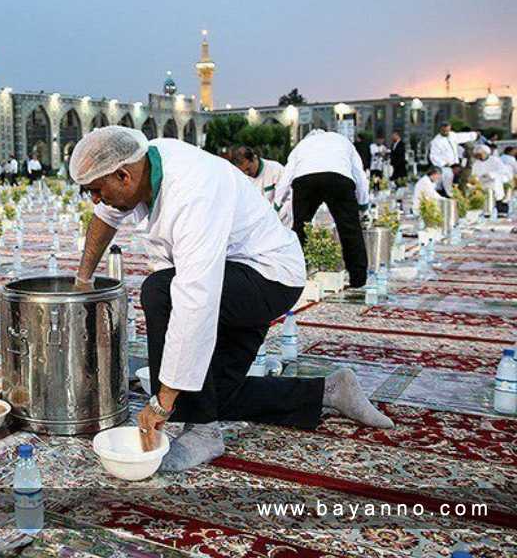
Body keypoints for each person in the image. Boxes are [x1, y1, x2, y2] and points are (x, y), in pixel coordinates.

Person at [70, 127, 392, 472]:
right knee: (211, 393)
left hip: (269, 277)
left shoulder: (193, 192)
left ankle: (203, 433)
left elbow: (196, 299)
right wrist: (82, 280)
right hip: (235, 274)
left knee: (160, 291)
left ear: (123, 175)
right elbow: (105, 218)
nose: (95, 200)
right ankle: (330, 390)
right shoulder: (141, 162)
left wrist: (161, 403)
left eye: (97, 191)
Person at [275, 129, 369, 288]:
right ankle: (358, 278)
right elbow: (359, 174)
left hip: (305, 180)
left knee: (300, 229)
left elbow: (286, 176)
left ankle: (294, 275)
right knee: (350, 229)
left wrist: (276, 204)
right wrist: (363, 204)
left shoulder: (302, 145)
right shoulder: (342, 140)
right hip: (338, 178)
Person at [228, 145, 292, 228]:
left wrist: (274, 219)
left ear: (254, 158)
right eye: (243, 171)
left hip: (282, 223)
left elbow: (289, 197)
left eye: (248, 169)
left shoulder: (276, 170)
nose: (247, 173)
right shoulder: (241, 179)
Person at [429, 122, 479, 197]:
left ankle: (459, 196)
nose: (446, 132)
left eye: (447, 130)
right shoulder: (436, 142)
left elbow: (463, 136)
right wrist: (445, 164)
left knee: (462, 182)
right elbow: (433, 156)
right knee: (448, 185)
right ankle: (451, 197)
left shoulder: (452, 135)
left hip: (456, 166)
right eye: (444, 131)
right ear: (440, 130)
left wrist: (474, 135)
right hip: (445, 167)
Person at [472, 145, 511, 214]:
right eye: (477, 155)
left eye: (480, 154)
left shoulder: (495, 160)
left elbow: (503, 171)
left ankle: (501, 212)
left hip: (494, 183)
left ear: (485, 153)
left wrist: (491, 174)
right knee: (486, 203)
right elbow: (474, 174)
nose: (479, 157)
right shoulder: (476, 163)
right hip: (482, 185)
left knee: (497, 200)